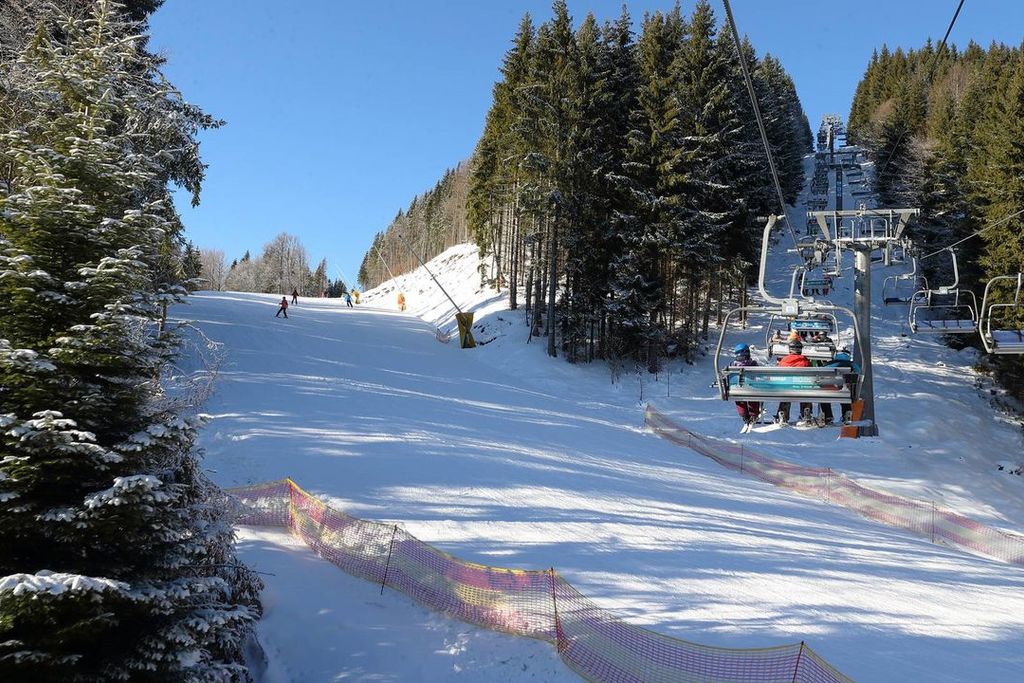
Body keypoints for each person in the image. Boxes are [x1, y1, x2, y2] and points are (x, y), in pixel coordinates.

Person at [775, 338, 813, 425]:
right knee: (805, 389)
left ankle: (782, 413)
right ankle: (806, 411)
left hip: (786, 388)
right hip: (802, 388)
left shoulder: (783, 361)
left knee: (786, 391)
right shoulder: (805, 361)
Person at [730, 344, 761, 428]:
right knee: (753, 397)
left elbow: (729, 376)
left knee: (739, 398)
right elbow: (759, 375)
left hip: (738, 389)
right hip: (752, 388)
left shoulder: (733, 365)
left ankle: (744, 415)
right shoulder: (753, 363)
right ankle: (753, 414)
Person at [827, 350, 861, 423]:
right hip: (846, 391)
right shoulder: (852, 364)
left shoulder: (830, 364)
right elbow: (858, 373)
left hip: (830, 391)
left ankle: (828, 416)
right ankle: (846, 415)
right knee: (845, 395)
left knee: (824, 398)